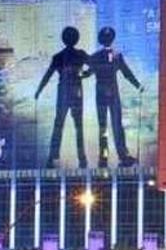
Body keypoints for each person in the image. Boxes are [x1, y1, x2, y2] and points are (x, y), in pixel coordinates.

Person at [34, 26, 90, 169]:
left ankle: (54, 157)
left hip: (66, 92)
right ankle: (81, 158)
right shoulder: (76, 55)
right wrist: (86, 74)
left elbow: (48, 75)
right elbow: (95, 65)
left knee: (60, 124)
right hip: (73, 91)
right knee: (75, 126)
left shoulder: (59, 56)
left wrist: (39, 90)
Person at [87, 26, 143, 168]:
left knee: (105, 126)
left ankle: (105, 158)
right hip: (111, 94)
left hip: (103, 94)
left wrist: (77, 75)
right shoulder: (116, 56)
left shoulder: (96, 57)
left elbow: (88, 73)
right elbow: (127, 73)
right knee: (115, 125)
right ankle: (119, 156)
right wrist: (138, 85)